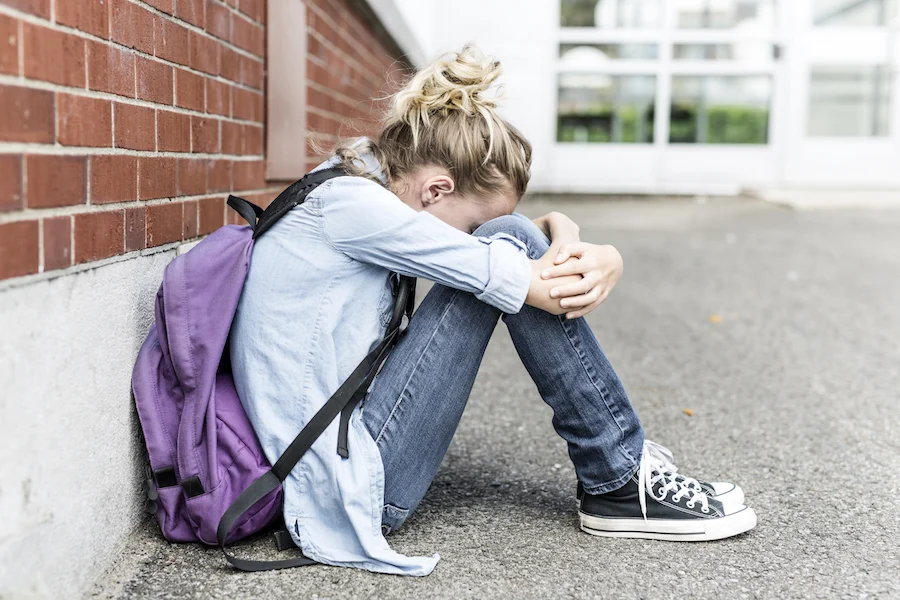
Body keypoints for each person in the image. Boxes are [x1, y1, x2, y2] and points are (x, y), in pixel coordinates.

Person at [229, 43, 756, 576]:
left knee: (507, 240)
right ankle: (618, 477)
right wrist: (603, 256)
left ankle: (619, 470)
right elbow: (523, 272)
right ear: (437, 189)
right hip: (346, 490)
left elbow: (516, 250)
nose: (470, 240)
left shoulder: (356, 180)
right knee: (506, 245)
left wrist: (562, 232)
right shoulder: (356, 209)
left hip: (329, 459)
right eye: (468, 228)